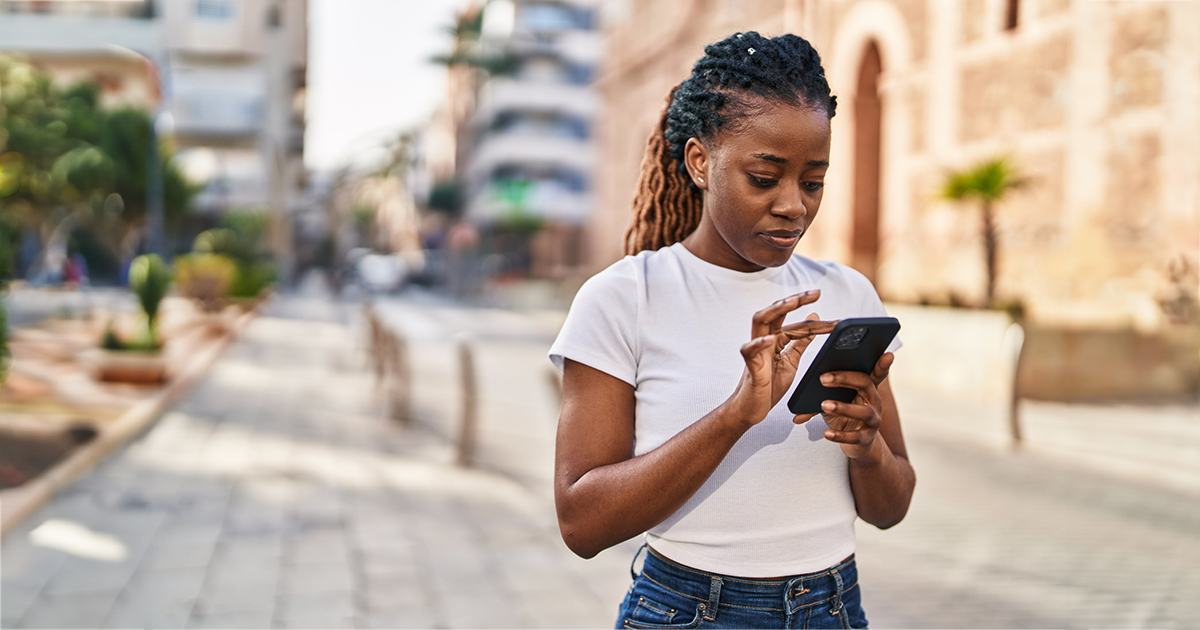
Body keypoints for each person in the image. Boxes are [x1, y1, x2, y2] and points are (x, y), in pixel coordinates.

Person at [548, 32, 915, 629]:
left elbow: (891, 509)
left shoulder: (847, 295)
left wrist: (867, 447)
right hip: (687, 612)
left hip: (832, 609)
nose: (794, 205)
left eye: (813, 181)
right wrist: (734, 415)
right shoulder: (625, 298)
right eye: (765, 178)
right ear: (700, 161)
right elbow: (581, 524)